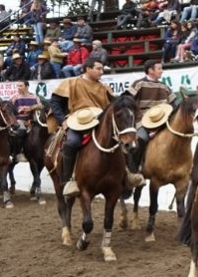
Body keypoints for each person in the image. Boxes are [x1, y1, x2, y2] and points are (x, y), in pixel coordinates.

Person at [50, 57, 140, 197]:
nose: (101, 72)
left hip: (100, 121)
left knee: (123, 140)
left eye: (102, 69)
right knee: (72, 142)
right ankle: (68, 181)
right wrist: (62, 120)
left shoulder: (104, 87)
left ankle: (130, 175)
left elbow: (115, 105)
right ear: (88, 69)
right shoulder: (70, 83)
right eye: (98, 69)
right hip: (77, 121)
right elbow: (55, 103)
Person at [124, 59, 176, 179]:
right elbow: (127, 100)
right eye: (159, 68)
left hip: (162, 122)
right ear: (150, 70)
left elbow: (175, 104)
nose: (162, 71)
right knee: (141, 138)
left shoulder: (165, 87)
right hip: (142, 121)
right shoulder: (139, 84)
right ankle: (134, 170)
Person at [9, 80, 42, 163]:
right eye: (18, 86)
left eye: (20, 86)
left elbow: (41, 106)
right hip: (19, 120)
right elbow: (8, 108)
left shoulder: (34, 97)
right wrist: (18, 110)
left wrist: (32, 108)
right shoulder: (15, 97)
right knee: (21, 131)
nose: (18, 88)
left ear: (27, 87)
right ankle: (18, 153)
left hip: (32, 120)